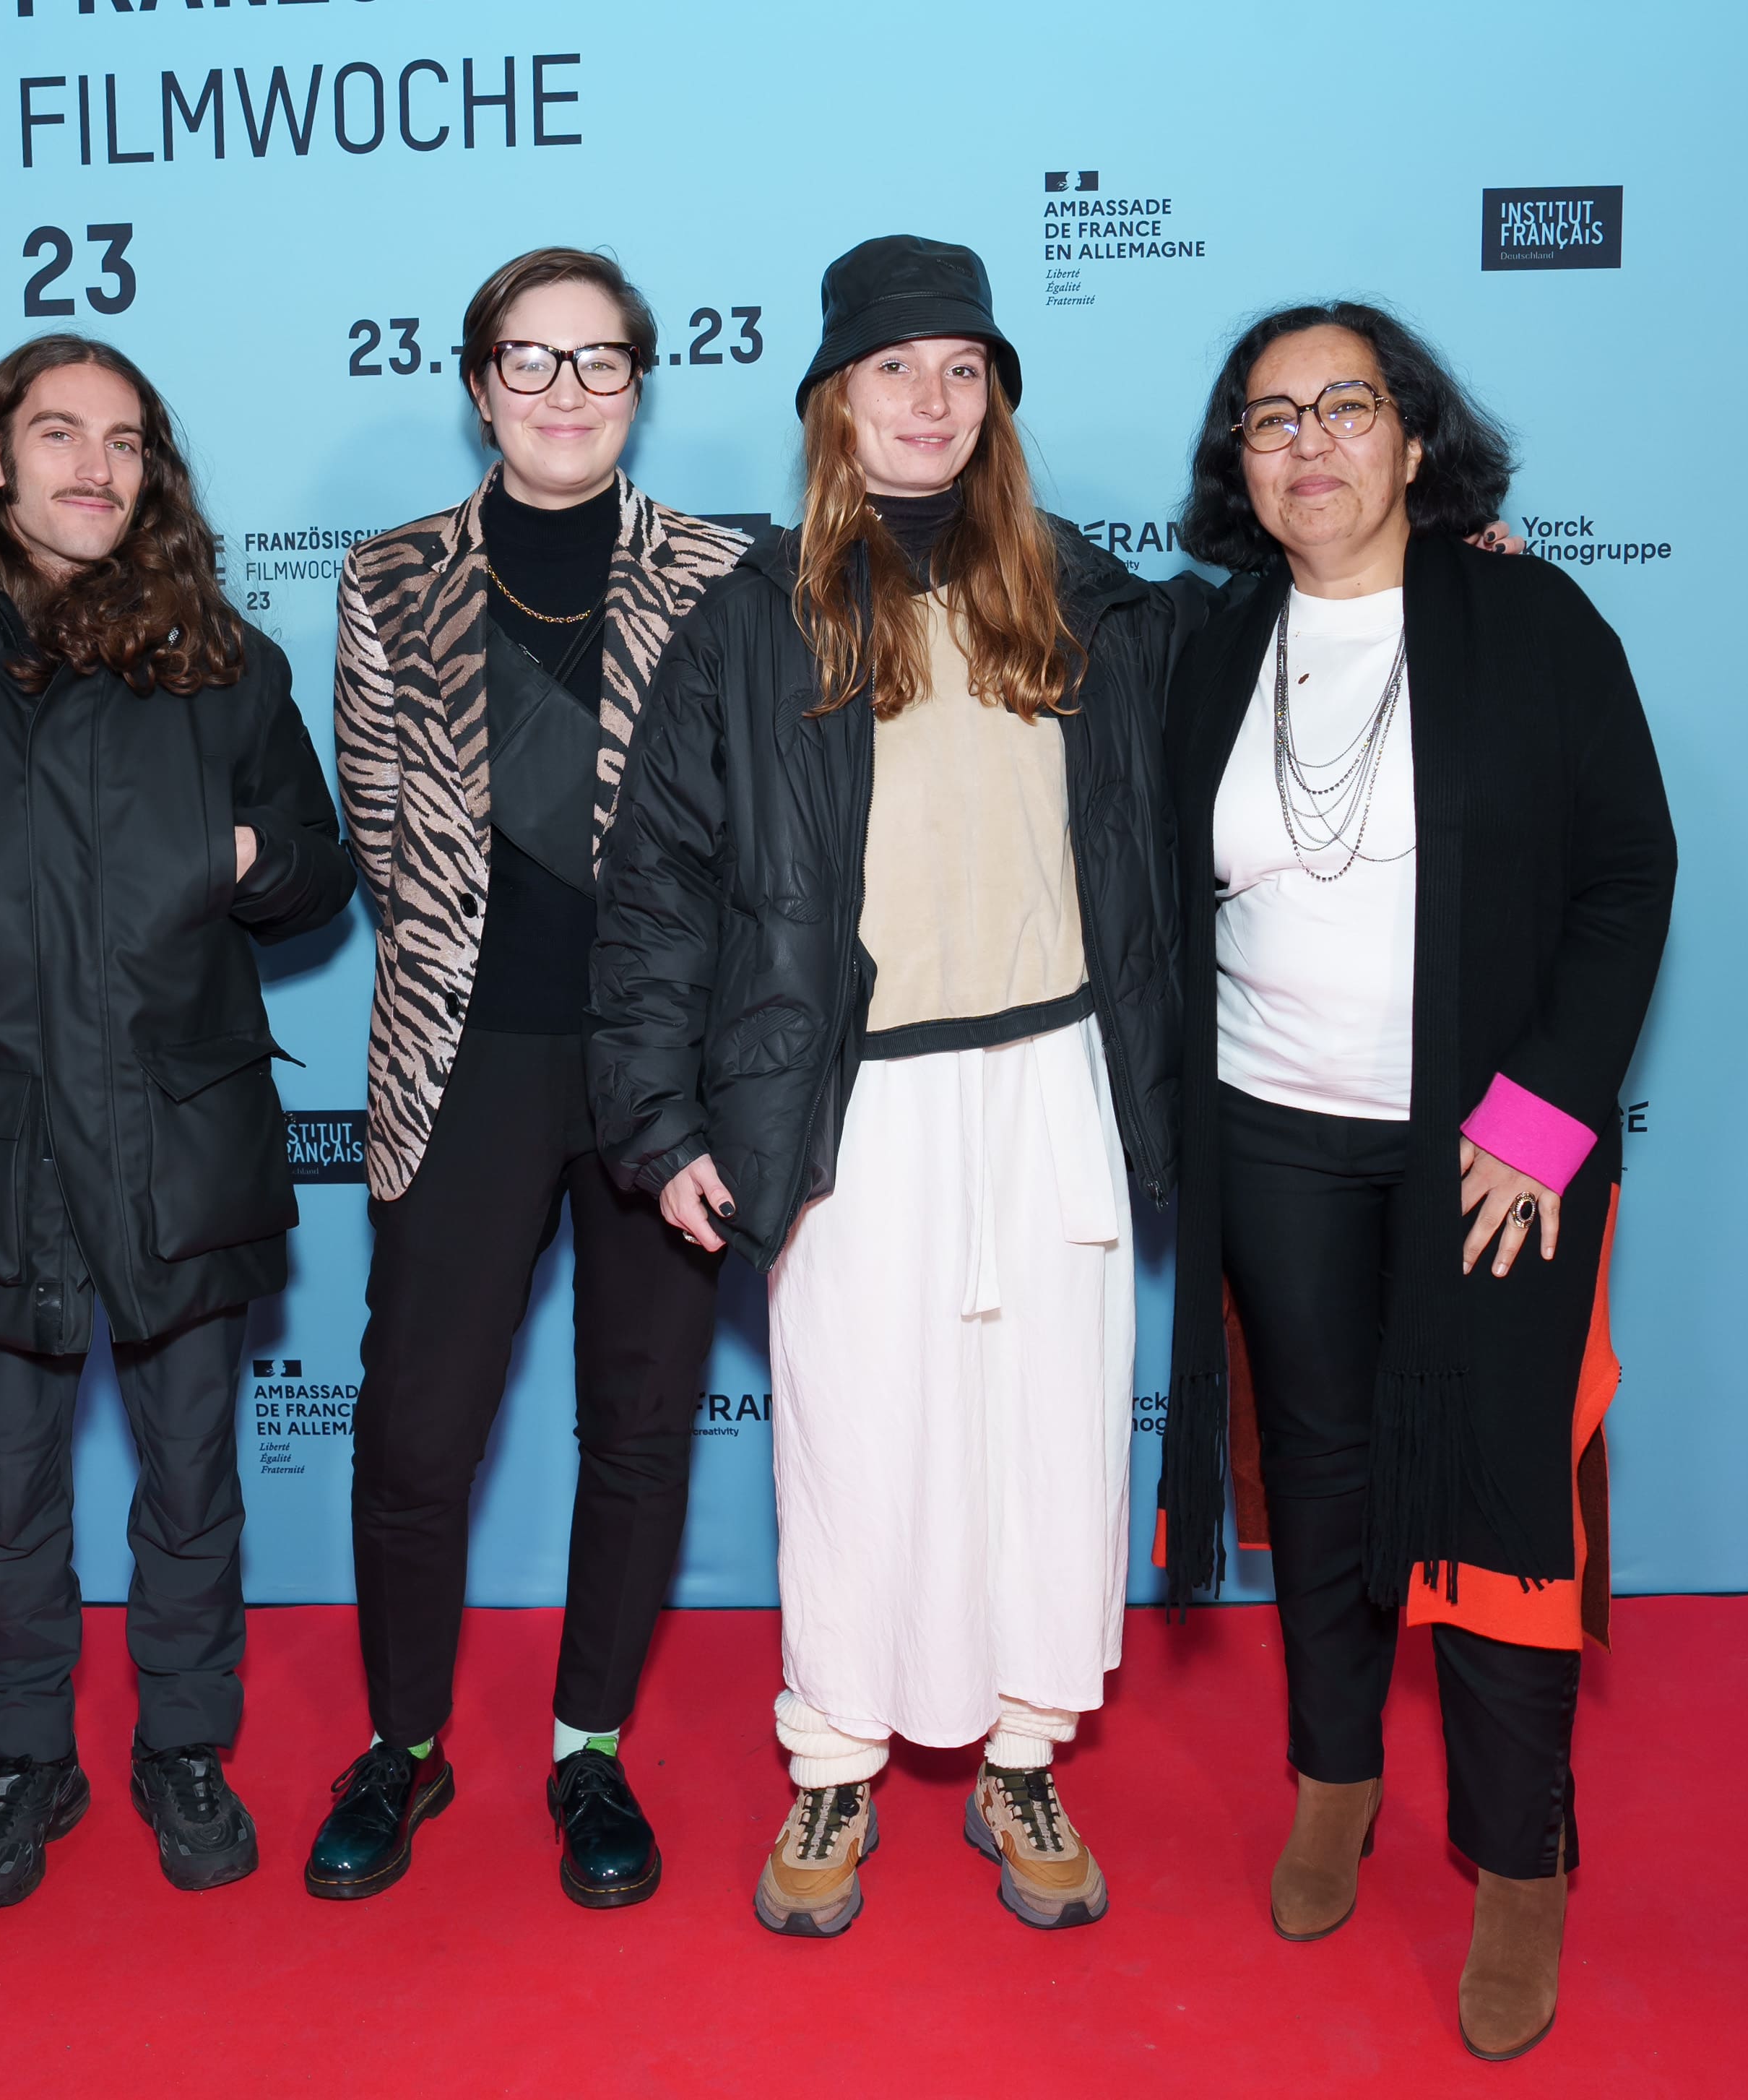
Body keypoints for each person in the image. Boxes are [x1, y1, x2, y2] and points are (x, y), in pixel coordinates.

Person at [589, 236, 1180, 1938]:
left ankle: (1022, 1753)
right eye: (893, 368)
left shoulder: (1093, 600)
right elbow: (658, 886)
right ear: (833, 401)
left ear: (996, 400)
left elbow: (1310, 614)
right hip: (845, 1097)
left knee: (1052, 1434)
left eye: (962, 370)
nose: (931, 399)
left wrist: (1454, 557)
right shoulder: (748, 622)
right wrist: (658, 1119)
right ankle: (836, 1758)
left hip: (1054, 1075)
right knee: (854, 1437)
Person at [1152, 303, 1675, 2060]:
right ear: (1237, 463)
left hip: (1489, 1148)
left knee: (1498, 1488)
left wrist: (1542, 1115)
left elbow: (1626, 873)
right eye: (1268, 418)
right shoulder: (1210, 642)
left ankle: (1518, 1862)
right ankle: (1334, 1777)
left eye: (1345, 406)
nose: (1308, 442)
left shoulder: (1530, 619)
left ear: (1415, 436)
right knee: (1317, 1471)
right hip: (1268, 1132)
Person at [0, 334, 355, 1909]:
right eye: (57, 433)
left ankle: (186, 1745)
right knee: (10, 1493)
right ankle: (24, 1760)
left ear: (151, 475)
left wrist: (243, 857)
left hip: (184, 1133)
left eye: (124, 440)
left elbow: (319, 866)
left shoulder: (226, 665)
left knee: (193, 1481)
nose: (94, 465)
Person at [309, 249, 748, 1909]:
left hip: (659, 1071)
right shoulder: (387, 576)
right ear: (478, 383)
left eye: (599, 359)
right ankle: (405, 1741)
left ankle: (589, 1748)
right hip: (464, 1059)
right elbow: (379, 833)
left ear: (640, 379)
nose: (566, 391)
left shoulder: (724, 572)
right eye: (529, 358)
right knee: (416, 1430)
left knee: (638, 1422)